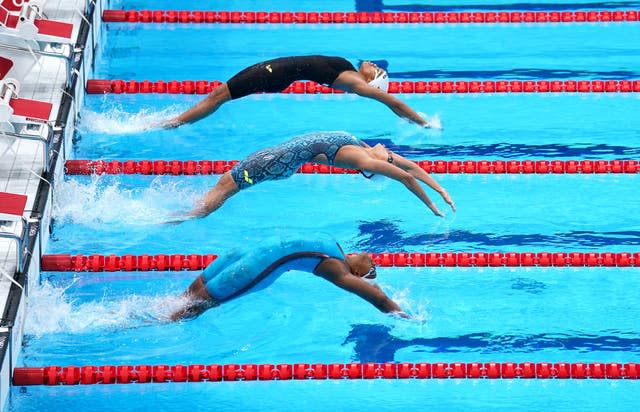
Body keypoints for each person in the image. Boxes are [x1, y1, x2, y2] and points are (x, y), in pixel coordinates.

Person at [172, 131, 455, 222]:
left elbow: (405, 177)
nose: (389, 151)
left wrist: (431, 204)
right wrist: (440, 188)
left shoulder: (363, 158)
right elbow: (411, 168)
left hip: (273, 162)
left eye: (388, 157)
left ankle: (181, 217)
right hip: (277, 160)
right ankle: (187, 212)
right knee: (224, 185)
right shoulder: (364, 150)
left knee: (225, 187)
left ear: (375, 169)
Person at [170, 236, 408, 320]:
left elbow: (376, 294)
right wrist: (408, 318)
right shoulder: (336, 264)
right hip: (257, 265)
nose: (373, 261)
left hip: (244, 253)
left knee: (194, 296)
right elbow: (378, 297)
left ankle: (159, 312)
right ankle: (154, 322)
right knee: (197, 304)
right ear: (356, 273)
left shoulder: (333, 250)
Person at [163, 55, 432, 128]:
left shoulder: (357, 84)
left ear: (373, 82)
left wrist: (422, 121)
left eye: (377, 71)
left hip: (275, 72)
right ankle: (176, 121)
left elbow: (392, 103)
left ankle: (173, 123)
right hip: (278, 72)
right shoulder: (349, 70)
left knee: (218, 97)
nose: (373, 65)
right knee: (218, 96)